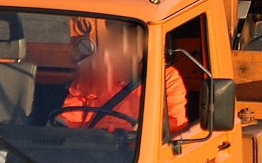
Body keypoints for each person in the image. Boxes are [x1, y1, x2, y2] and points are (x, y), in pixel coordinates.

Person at [57, 18, 188, 133]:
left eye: (131, 42)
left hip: (134, 152)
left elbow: (175, 125)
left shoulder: (166, 78)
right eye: (120, 41)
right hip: (92, 149)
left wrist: (146, 131)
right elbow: (69, 118)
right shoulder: (95, 73)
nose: (125, 48)